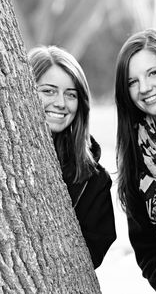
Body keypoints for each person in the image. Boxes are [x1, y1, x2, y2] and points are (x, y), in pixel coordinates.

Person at [28, 45, 116, 269]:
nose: (60, 103)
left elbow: (90, 257)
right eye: (48, 91)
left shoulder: (95, 181)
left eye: (71, 94)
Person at [115, 28, 156, 290]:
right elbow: (146, 247)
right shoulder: (136, 152)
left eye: (153, 73)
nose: (145, 88)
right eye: (132, 81)